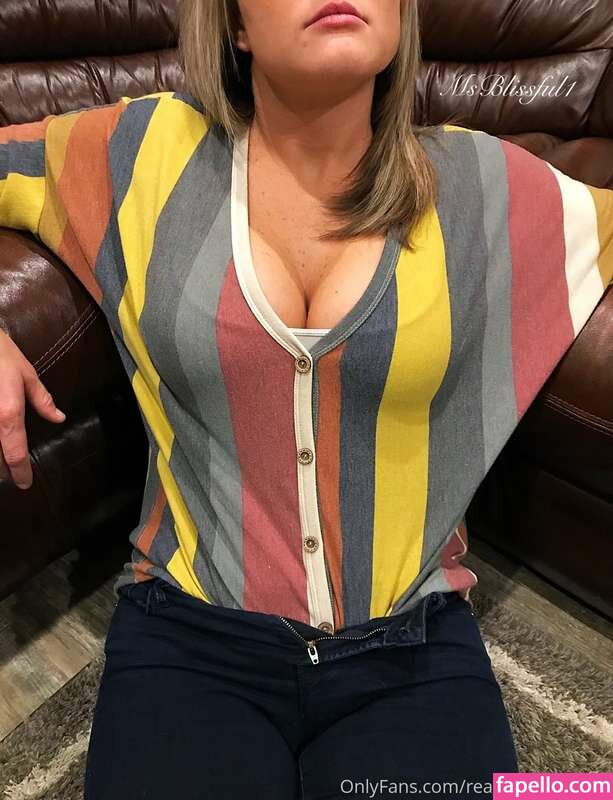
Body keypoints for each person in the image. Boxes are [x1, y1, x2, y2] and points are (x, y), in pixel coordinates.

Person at [1, 1, 612, 797]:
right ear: (234, 25)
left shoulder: (485, 182)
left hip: (414, 648)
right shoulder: (135, 150)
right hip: (185, 632)